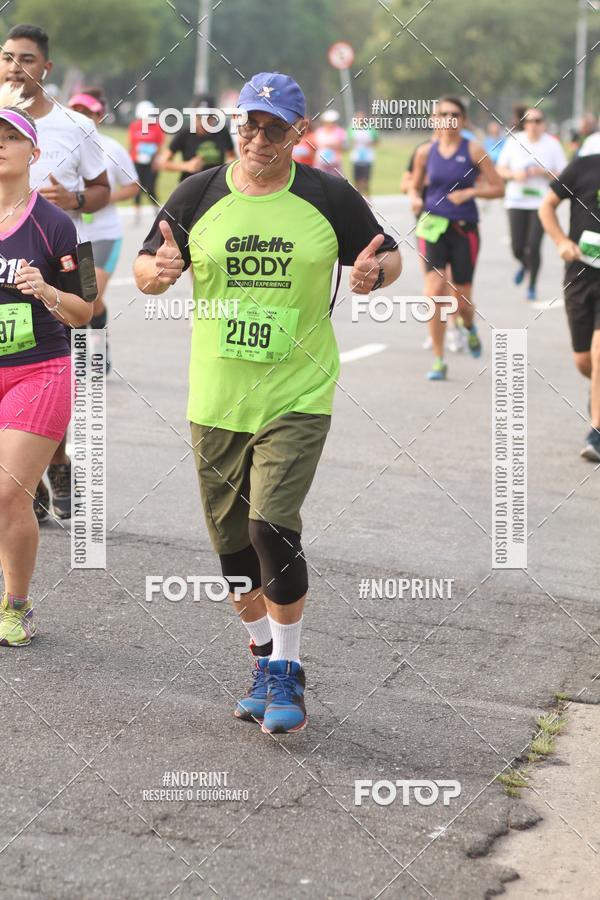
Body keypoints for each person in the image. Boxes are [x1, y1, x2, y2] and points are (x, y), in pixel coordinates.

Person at [134, 72, 401, 735]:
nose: (256, 138)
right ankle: (262, 657)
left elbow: (386, 257)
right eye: (248, 124)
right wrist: (157, 274)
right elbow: (146, 268)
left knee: (270, 526)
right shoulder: (197, 191)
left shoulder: (327, 194)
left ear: (298, 134)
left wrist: (374, 274)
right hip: (217, 398)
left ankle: (287, 670)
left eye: (273, 128)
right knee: (230, 552)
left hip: (297, 393)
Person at [0, 23, 109, 522]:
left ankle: (54, 463)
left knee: (48, 368)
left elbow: (103, 189)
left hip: (55, 257)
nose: (13, 66)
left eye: (24, 58)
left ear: (45, 67)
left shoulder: (74, 126)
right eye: (6, 56)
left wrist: (77, 202)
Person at [0, 87, 93, 646]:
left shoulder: (56, 225)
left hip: (40, 370)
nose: (1, 146)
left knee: (7, 493)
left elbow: (87, 308)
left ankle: (16, 605)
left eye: (12, 137)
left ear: (34, 152)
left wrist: (45, 294)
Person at [409, 95, 504, 381]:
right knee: (435, 290)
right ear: (434, 120)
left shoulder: (473, 150)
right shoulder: (425, 152)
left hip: (464, 228)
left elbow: (498, 188)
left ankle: (469, 327)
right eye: (442, 114)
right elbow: (414, 187)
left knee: (461, 300)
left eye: (454, 115)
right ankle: (438, 358)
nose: (448, 120)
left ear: (462, 120)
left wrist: (471, 192)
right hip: (431, 226)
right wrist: (415, 198)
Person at [68, 88, 140, 370]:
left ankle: (98, 346)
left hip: (104, 234)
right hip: (72, 235)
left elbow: (133, 187)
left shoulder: (111, 149)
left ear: (100, 116)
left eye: (88, 112)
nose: (81, 117)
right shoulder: (62, 147)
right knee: (73, 297)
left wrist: (100, 198)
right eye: (76, 111)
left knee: (91, 294)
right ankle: (80, 351)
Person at [539, 141, 600, 461]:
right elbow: (546, 206)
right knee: (584, 361)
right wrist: (561, 240)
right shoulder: (583, 166)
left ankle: (596, 433)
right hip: (580, 274)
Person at [496, 108, 566, 300]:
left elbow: (564, 174)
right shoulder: (514, 141)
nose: (534, 125)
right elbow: (500, 169)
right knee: (518, 247)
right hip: (516, 200)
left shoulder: (552, 144)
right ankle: (525, 265)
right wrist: (513, 175)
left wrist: (544, 172)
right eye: (530, 121)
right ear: (524, 123)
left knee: (534, 246)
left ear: (544, 123)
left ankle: (532, 284)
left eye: (538, 121)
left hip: (541, 202)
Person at [159, 94, 236, 183]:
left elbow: (231, 156)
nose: (202, 122)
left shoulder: (222, 132)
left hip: (215, 185)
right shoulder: (185, 134)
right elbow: (163, 162)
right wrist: (187, 166)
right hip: (190, 185)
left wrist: (227, 166)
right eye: (199, 117)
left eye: (207, 118)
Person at [128, 99, 164, 217]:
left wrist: (155, 160)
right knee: (137, 187)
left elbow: (159, 145)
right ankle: (136, 214)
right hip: (137, 162)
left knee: (151, 188)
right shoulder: (134, 126)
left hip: (151, 162)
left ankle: (157, 212)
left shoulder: (157, 127)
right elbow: (132, 145)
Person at [348, 112, 378, 197]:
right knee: (357, 180)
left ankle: (367, 198)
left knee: (366, 181)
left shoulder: (370, 129)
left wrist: (370, 143)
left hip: (367, 158)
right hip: (356, 158)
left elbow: (377, 141)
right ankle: (359, 197)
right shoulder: (352, 129)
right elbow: (349, 141)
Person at [313, 109, 347, 176]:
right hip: (321, 163)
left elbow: (343, 146)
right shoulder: (319, 131)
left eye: (332, 122)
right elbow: (316, 144)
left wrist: (333, 145)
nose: (330, 124)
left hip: (335, 163)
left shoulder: (340, 131)